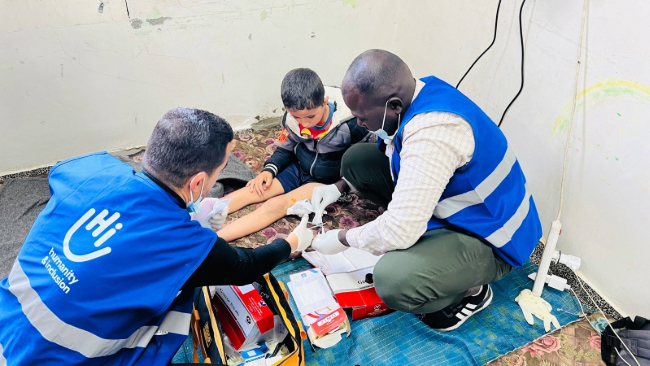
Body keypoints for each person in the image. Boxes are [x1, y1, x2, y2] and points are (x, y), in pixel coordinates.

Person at [0, 108, 314, 365]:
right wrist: (291, 242)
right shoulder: (183, 244)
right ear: (197, 183)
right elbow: (247, 265)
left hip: (7, 319)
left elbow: (59, 172)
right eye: (219, 172)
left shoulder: (96, 170)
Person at [311, 50, 543, 331]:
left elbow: (399, 231)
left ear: (393, 106)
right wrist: (339, 187)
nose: (359, 123)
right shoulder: (417, 92)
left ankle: (471, 291)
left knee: (394, 279)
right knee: (356, 161)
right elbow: (391, 151)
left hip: (492, 237)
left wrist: (344, 238)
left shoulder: (434, 132)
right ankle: (434, 243)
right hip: (459, 204)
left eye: (363, 117)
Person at [217, 68, 370, 242]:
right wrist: (269, 170)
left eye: (311, 116)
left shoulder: (350, 125)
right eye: (297, 117)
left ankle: (214, 241)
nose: (304, 123)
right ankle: (189, 220)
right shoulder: (291, 120)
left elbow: (363, 159)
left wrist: (342, 185)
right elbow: (285, 148)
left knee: (276, 205)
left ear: (324, 102)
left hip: (324, 181)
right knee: (253, 190)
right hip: (298, 168)